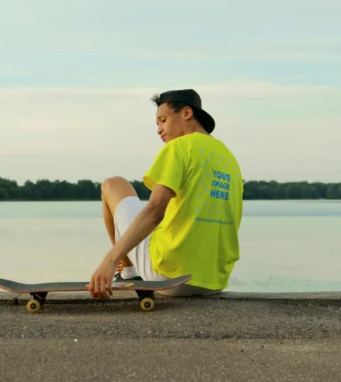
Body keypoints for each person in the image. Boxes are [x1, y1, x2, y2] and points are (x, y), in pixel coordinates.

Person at [87, 89, 243, 299]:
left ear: (186, 113)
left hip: (169, 277)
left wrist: (110, 260)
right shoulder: (228, 157)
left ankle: (127, 271)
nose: (159, 129)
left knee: (112, 185)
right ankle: (130, 269)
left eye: (163, 120)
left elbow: (155, 211)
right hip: (214, 281)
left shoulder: (179, 147)